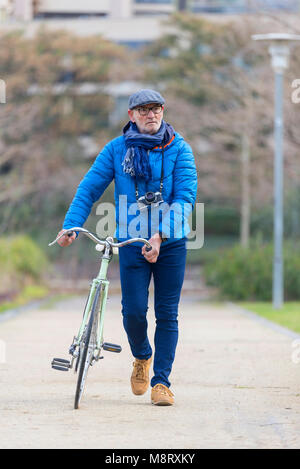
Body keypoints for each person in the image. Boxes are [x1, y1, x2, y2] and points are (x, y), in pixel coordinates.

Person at [57, 89, 197, 406]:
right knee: (133, 311)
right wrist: (71, 225)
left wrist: (161, 236)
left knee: (167, 313)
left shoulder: (181, 150)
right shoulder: (117, 150)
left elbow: (185, 199)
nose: (152, 114)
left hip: (170, 243)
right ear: (131, 115)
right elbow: (89, 188)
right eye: (144, 109)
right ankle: (142, 357)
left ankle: (161, 382)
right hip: (131, 241)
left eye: (157, 108)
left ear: (163, 111)